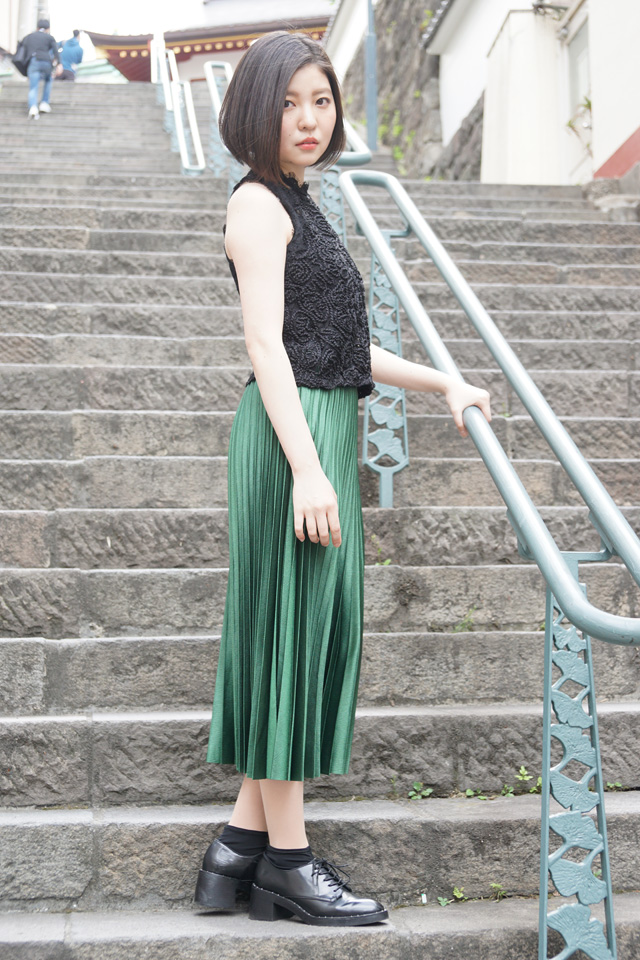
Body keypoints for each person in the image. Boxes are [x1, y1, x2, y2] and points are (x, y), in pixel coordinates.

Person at [194, 31, 492, 927]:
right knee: (291, 633)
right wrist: (308, 471)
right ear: (256, 109)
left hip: (317, 421)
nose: (309, 118)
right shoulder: (258, 204)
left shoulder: (301, 201)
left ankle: (233, 856)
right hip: (293, 436)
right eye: (289, 102)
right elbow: (264, 345)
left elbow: (341, 348)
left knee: (305, 629)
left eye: (321, 100)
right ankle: (288, 867)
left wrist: (443, 381)